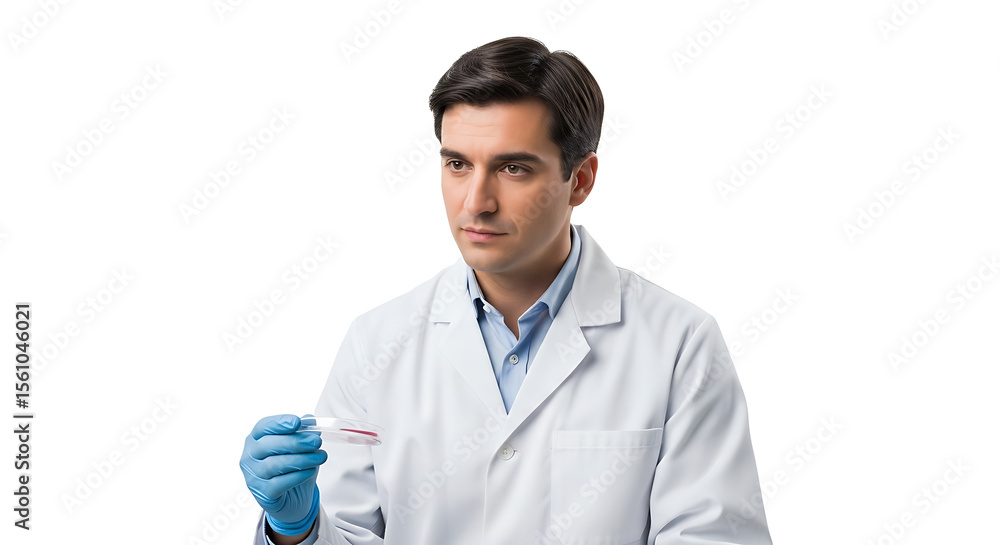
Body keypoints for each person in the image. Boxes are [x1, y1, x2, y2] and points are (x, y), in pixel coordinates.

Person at [240, 36, 773, 544]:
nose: (476, 201)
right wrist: (298, 529)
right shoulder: (376, 344)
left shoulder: (679, 345)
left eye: (513, 168)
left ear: (581, 180)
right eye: (457, 164)